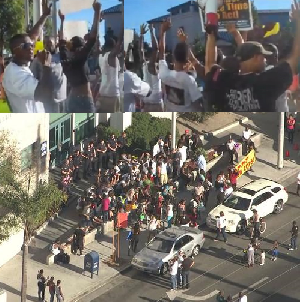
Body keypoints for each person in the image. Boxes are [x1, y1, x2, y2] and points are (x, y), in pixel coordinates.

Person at [204, 1, 300, 112]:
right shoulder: (267, 81)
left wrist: (211, 34)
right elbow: (295, 57)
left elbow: (209, 64)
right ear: (256, 57)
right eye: (263, 56)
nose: (265, 60)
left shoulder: (225, 81)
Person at [2, 0, 54, 113]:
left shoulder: (21, 62)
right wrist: (46, 66)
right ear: (15, 51)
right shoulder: (14, 74)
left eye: (32, 45)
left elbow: (33, 36)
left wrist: (44, 16)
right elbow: (44, 95)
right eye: (26, 46)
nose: (31, 48)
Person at [58, 0, 100, 112]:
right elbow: (93, 38)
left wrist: (62, 21)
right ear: (80, 47)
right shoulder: (80, 58)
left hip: (71, 98)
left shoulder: (64, 57)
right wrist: (97, 12)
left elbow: (61, 41)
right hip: (84, 100)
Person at [158, 20, 203, 112]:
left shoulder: (165, 74)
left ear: (173, 57)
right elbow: (198, 104)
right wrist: (184, 43)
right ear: (188, 60)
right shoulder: (189, 80)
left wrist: (163, 32)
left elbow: (161, 53)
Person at [98, 1, 124, 112]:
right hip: (112, 95)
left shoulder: (101, 56)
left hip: (102, 93)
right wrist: (123, 16)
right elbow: (120, 40)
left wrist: (98, 20)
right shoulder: (111, 56)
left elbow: (96, 41)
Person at [30, 35, 67, 112]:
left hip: (62, 98)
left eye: (49, 42)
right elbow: (33, 77)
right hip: (47, 100)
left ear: (55, 43)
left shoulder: (62, 56)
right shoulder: (38, 59)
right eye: (45, 43)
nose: (47, 45)